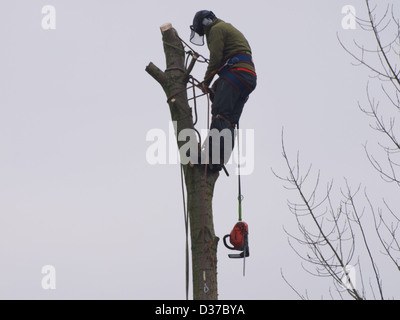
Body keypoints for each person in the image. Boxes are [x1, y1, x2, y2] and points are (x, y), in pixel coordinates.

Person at [190, 10, 257, 172]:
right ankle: (220, 159)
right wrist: (216, 87)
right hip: (247, 78)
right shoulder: (228, 28)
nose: (204, 34)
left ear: (205, 23)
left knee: (220, 113)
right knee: (229, 121)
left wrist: (206, 83)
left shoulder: (216, 29)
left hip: (235, 74)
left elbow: (215, 59)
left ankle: (211, 158)